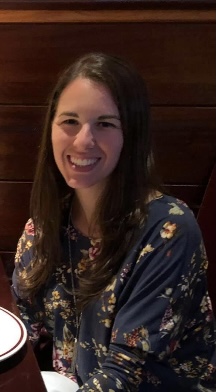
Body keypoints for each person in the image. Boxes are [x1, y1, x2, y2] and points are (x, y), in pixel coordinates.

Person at [12, 52, 216, 391]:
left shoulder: (169, 230)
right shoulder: (47, 222)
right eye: (70, 121)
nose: (83, 140)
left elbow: (126, 373)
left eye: (105, 124)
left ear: (131, 135)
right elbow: (23, 324)